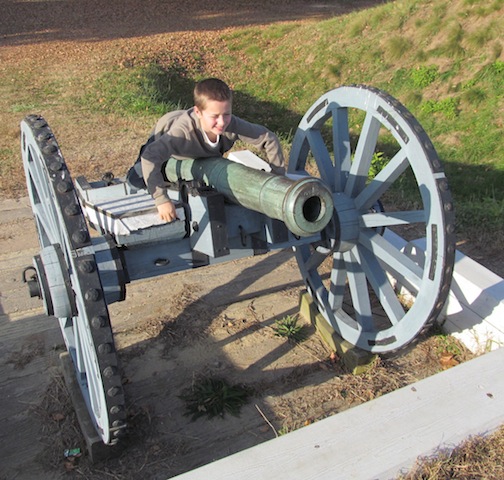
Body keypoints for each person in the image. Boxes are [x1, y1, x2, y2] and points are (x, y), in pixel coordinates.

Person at [127, 78, 285, 223]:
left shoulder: (230, 125)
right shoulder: (181, 134)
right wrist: (161, 200)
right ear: (198, 112)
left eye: (226, 114)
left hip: (199, 152)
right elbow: (150, 156)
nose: (222, 122)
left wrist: (278, 177)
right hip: (164, 133)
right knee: (136, 180)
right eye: (215, 116)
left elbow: (268, 138)